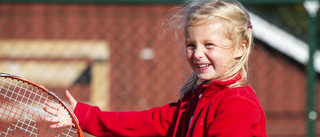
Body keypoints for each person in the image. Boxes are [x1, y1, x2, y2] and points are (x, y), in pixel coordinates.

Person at [42, 0, 267, 136]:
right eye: (191, 45)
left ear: (240, 48)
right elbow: (144, 123)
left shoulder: (238, 104)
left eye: (209, 45)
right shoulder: (195, 99)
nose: (197, 53)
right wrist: (84, 115)